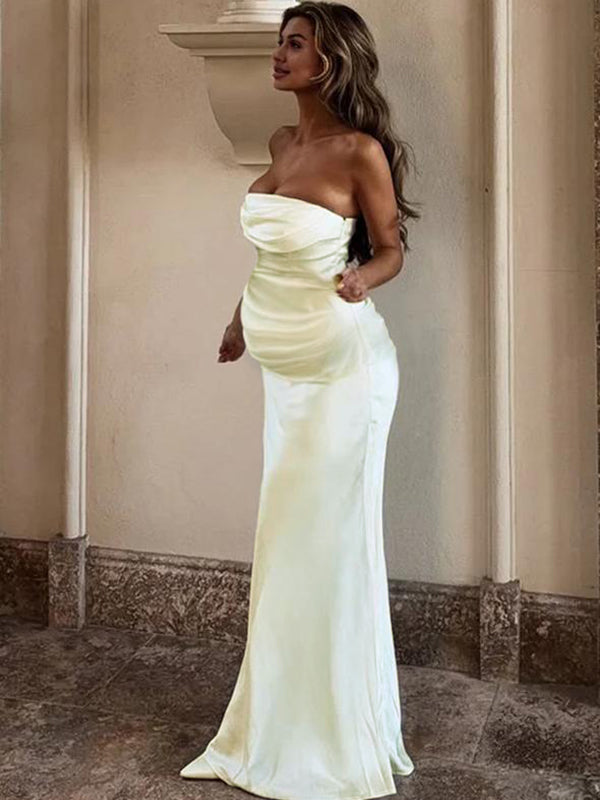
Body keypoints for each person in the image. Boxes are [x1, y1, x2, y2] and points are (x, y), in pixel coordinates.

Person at [180, 2, 421, 798]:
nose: (279, 55)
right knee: (287, 547)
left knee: (325, 548)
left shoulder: (360, 152)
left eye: (295, 43)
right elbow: (272, 262)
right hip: (287, 376)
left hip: (345, 374)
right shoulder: (283, 143)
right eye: (281, 42)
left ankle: (332, 739)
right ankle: (272, 726)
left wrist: (362, 278)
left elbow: (391, 249)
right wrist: (238, 321)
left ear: (332, 58)